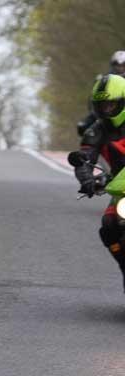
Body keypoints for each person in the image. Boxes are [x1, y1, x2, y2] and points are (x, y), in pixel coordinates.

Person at [69, 74, 125, 290]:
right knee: (109, 225)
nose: (106, 110)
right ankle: (123, 263)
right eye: (102, 105)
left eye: (110, 105)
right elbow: (84, 157)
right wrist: (87, 180)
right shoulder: (98, 129)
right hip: (121, 187)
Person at [77, 51, 125, 136]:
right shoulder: (103, 80)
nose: (120, 68)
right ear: (113, 66)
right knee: (83, 127)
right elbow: (92, 100)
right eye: (118, 66)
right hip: (107, 110)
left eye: (123, 66)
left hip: (121, 108)